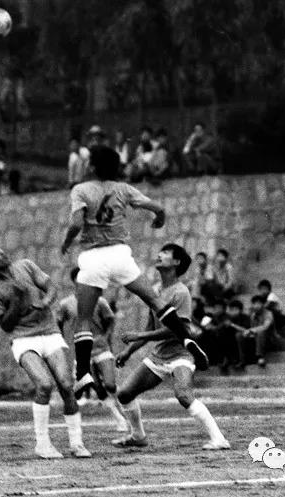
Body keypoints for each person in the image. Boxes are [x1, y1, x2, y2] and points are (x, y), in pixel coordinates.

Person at [60, 146, 209, 393]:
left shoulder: (81, 189)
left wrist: (66, 242)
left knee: (84, 318)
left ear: (93, 167)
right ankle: (187, 339)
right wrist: (158, 219)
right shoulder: (123, 189)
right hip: (120, 255)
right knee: (155, 300)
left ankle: (83, 373)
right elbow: (157, 209)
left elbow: (77, 222)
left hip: (94, 256)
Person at [0, 242, 90, 459]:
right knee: (44, 385)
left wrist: (45, 302)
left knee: (66, 385)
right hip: (23, 339)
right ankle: (43, 444)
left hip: (50, 333)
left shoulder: (25, 265)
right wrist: (16, 302)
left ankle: (76, 442)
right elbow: (6, 326)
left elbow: (51, 286)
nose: (2, 251)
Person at [111, 244, 230, 450]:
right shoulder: (155, 290)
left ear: (176, 263)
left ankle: (219, 439)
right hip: (159, 356)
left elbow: (179, 329)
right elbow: (151, 326)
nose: (159, 255)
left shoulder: (181, 292)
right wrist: (129, 351)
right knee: (124, 394)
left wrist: (140, 335)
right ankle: (138, 436)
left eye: (165, 253)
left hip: (181, 355)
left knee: (183, 395)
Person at [54, 268, 128, 432]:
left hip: (101, 349)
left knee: (110, 384)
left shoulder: (99, 301)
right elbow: (57, 322)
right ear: (75, 281)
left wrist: (105, 336)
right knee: (98, 388)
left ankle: (123, 412)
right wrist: (61, 341)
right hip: (81, 352)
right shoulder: (66, 304)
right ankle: (119, 418)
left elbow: (110, 319)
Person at [236, 295, 276, 369]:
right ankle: (242, 359)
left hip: (268, 339)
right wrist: (247, 332)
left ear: (263, 304)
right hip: (256, 339)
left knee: (261, 332)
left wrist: (252, 330)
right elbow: (249, 327)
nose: (256, 306)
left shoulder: (268, 313)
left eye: (259, 303)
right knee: (239, 335)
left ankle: (260, 357)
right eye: (254, 303)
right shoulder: (252, 314)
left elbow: (265, 326)